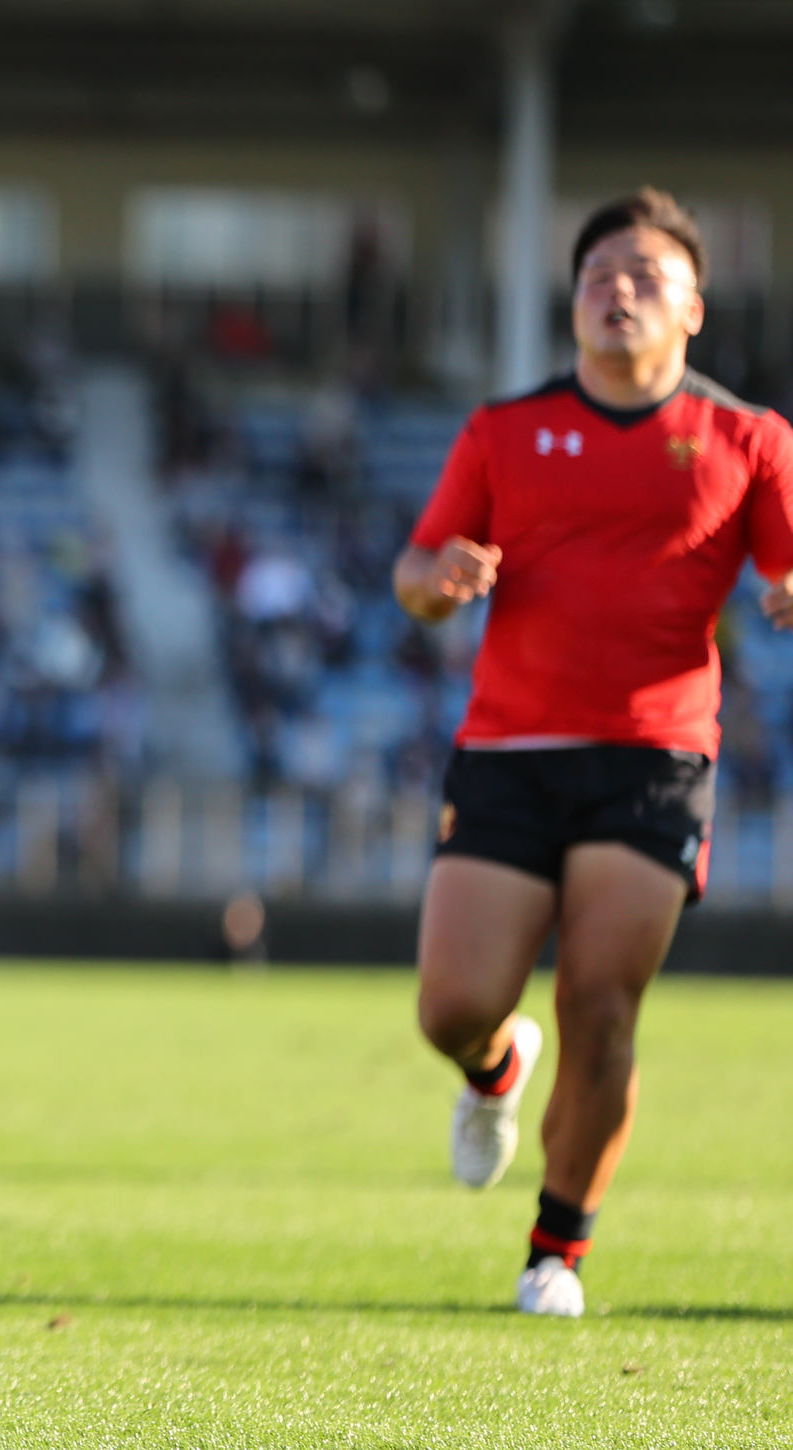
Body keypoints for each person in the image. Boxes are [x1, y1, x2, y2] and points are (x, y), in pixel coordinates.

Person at [394, 188, 793, 1319]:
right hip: (510, 750)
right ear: (571, 302)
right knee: (451, 1005)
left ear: (695, 311)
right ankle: (491, 1069)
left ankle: (554, 1252)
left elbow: (787, 565)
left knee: (601, 1002)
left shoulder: (749, 440)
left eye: (645, 276)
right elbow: (414, 576)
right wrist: (440, 581)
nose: (616, 291)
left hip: (655, 757)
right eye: (597, 275)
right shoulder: (503, 432)